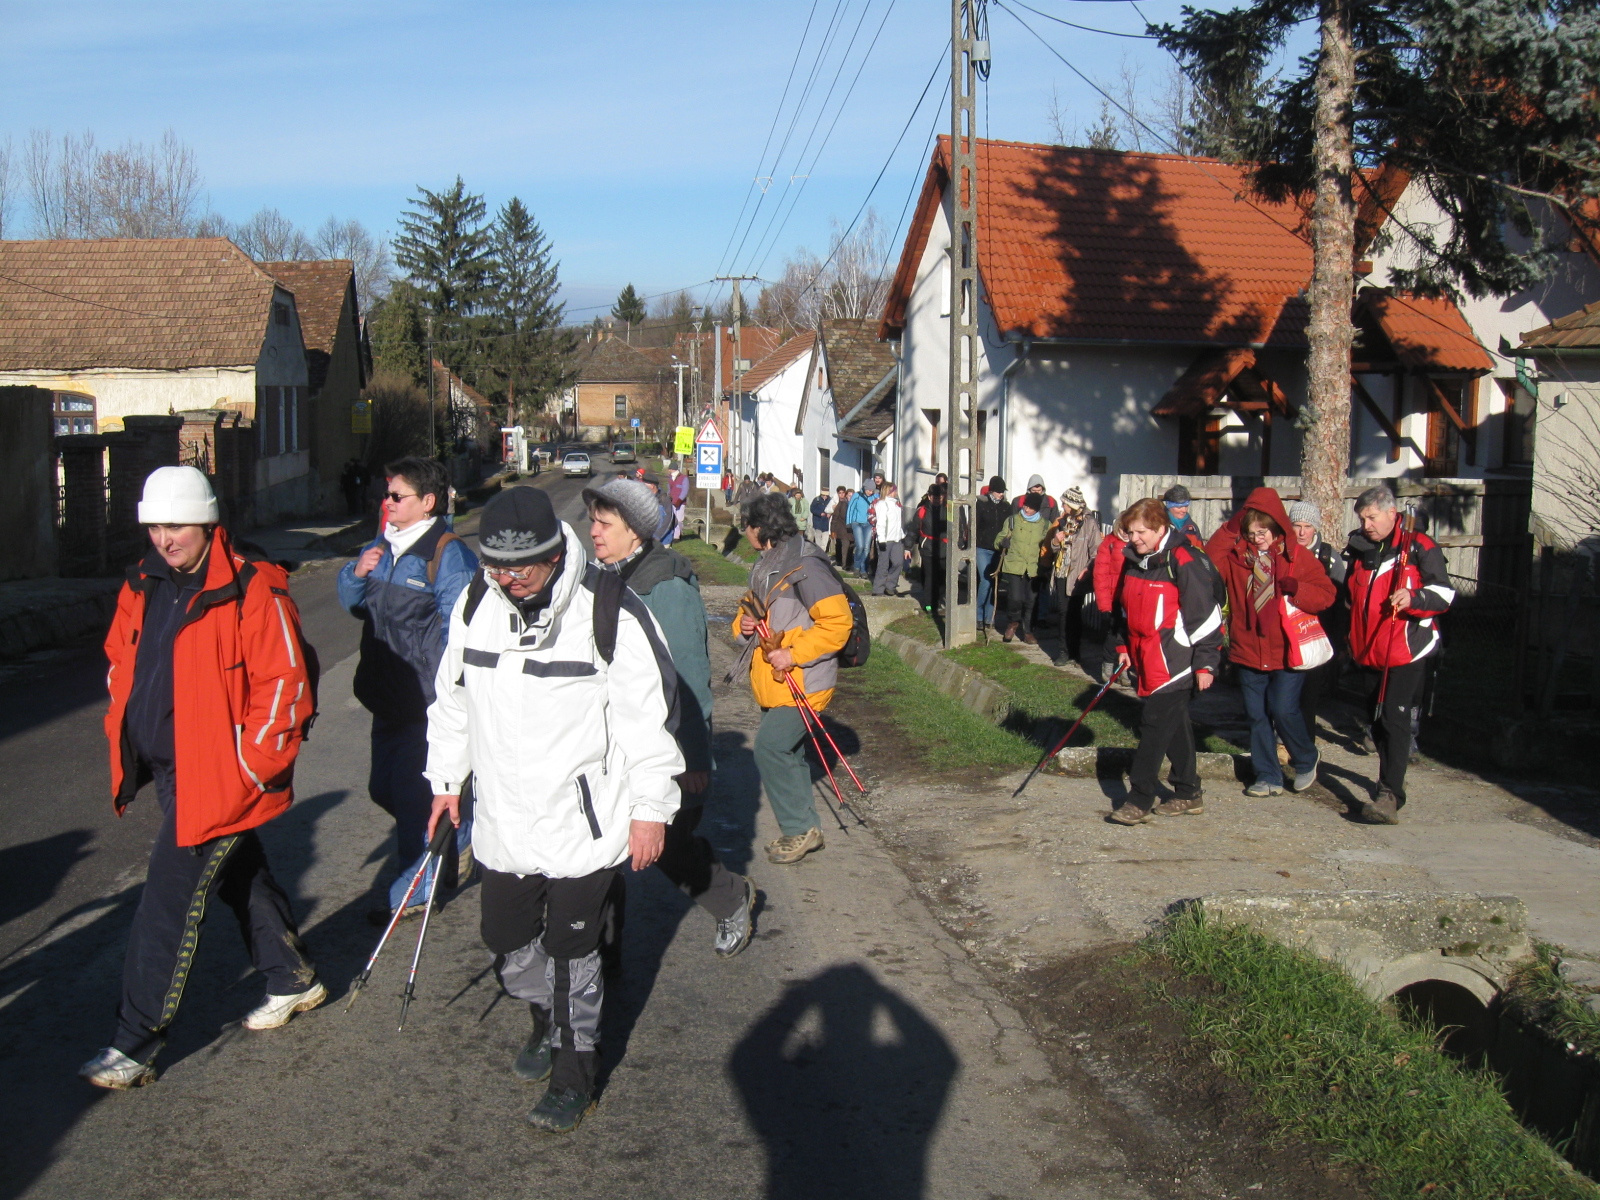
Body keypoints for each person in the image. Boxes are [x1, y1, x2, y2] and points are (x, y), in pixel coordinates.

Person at [426, 486, 683, 1132]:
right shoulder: (477, 603)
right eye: (496, 567)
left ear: (551, 554)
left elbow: (648, 721)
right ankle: (545, 1017)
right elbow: (452, 703)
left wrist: (650, 809)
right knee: (506, 942)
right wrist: (445, 781)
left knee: (576, 956)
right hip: (506, 820)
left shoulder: (608, 611)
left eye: (522, 569)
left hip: (583, 824)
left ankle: (576, 1073)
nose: (508, 581)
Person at [81, 467, 322, 1090]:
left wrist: (251, 769)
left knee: (166, 901)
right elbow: (120, 657)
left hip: (220, 776)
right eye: (156, 525)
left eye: (177, 525)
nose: (166, 538)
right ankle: (293, 979)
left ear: (208, 523)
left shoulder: (250, 587)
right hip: (168, 767)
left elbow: (285, 683)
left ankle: (133, 1042)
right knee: (241, 873)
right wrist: (123, 715)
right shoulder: (143, 582)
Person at [585, 477, 755, 956]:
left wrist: (696, 758)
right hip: (613, 741)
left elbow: (689, 675)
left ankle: (728, 898)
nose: (593, 531)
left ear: (635, 531)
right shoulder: (605, 577)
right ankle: (597, 953)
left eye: (605, 522)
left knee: (665, 845)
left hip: (668, 745)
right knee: (603, 849)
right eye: (593, 521)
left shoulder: (665, 587)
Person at [338, 456, 477, 922]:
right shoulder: (383, 545)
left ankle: (413, 889)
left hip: (425, 702)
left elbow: (462, 630)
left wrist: (453, 696)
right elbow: (352, 605)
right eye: (387, 495)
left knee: (413, 799)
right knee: (385, 790)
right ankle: (461, 834)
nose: (387, 503)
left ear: (428, 502)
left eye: (397, 496)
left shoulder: (446, 554)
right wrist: (356, 574)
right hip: (384, 694)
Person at [735, 493, 853, 866]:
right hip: (776, 681)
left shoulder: (805, 566)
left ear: (760, 528)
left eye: (746, 525)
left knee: (771, 748)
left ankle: (800, 829)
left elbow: (838, 623)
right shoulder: (766, 564)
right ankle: (807, 828)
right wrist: (746, 624)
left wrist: (794, 653)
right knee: (789, 751)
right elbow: (747, 612)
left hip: (805, 680)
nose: (744, 532)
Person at [1206, 488, 1336, 797]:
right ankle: (1268, 775)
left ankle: (1305, 757)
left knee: (1283, 708)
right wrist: (1232, 526)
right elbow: (1210, 557)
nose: (1257, 539)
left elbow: (1327, 594)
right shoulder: (1237, 560)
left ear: (1276, 527)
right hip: (1248, 648)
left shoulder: (1296, 558)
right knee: (1256, 715)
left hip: (1286, 650)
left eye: (1262, 531)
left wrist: (1298, 589)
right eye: (1251, 533)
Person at [1108, 497, 1224, 825]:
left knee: (1154, 725)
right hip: (1146, 660)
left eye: (1141, 532)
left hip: (1179, 662)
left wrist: (1206, 664)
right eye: (1130, 532)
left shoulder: (1184, 559)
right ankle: (1188, 792)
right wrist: (1122, 647)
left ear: (1161, 528)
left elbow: (1206, 616)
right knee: (1175, 727)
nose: (1134, 539)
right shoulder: (1135, 560)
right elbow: (1124, 609)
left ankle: (1139, 798)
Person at [1342, 484, 1453, 824]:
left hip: (1406, 648)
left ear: (1392, 513)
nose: (1366, 525)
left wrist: (1414, 598)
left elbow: (1444, 594)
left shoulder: (1419, 546)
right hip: (1369, 648)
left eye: (1372, 518)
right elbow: (1350, 595)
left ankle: (1391, 793)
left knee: (1394, 717)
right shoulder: (1361, 548)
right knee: (1375, 721)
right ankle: (1386, 777)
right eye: (1362, 519)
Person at [1289, 499, 1348, 750]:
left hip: (1317, 634)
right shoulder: (1282, 552)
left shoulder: (1328, 558)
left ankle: (1306, 748)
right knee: (1284, 696)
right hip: (1288, 632)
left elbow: (1340, 601)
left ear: (1315, 528)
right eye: (1297, 526)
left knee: (1309, 696)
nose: (1302, 532)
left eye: (1307, 526)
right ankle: (1283, 745)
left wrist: (1339, 639)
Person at [1048, 488, 1101, 665]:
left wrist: (1087, 570)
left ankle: (1075, 653)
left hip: (1079, 574)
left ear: (1072, 504)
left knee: (1075, 614)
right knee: (1063, 613)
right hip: (1062, 571)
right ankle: (1063, 652)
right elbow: (1055, 548)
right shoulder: (1062, 521)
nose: (1062, 505)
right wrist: (1055, 541)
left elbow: (1096, 551)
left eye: (1064, 503)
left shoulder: (1089, 523)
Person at [994, 492, 1050, 644]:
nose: (1027, 509)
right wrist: (1002, 542)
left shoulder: (1045, 525)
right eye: (1026, 505)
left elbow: (1048, 547)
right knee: (1015, 598)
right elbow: (998, 539)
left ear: (1037, 509)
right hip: (1014, 565)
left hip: (1033, 568)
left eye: (1031, 507)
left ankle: (1028, 631)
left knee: (1031, 600)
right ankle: (1013, 622)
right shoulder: (1012, 521)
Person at [975, 476, 1009, 632]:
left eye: (1002, 492)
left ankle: (990, 618)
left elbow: (1008, 528)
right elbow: (975, 526)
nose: (1001, 494)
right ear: (991, 491)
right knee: (986, 580)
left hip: (998, 551)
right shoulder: (981, 505)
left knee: (995, 583)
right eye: (998, 492)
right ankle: (978, 614)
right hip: (983, 548)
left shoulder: (1006, 507)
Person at [914, 483, 949, 615]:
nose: (937, 499)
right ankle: (929, 604)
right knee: (929, 576)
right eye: (934, 497)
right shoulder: (922, 511)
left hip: (944, 548)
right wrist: (907, 547)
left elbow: (957, 526)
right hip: (928, 547)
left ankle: (939, 600)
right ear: (929, 497)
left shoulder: (948, 509)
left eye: (939, 497)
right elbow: (914, 529)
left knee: (942, 576)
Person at [871, 482, 906, 596]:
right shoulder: (882, 504)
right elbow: (880, 523)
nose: (896, 492)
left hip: (896, 539)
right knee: (883, 565)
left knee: (898, 562)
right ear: (889, 491)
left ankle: (890, 585)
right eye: (894, 490)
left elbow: (898, 523)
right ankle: (878, 589)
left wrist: (902, 535)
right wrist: (881, 539)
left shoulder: (897, 504)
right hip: (885, 539)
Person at [846, 484, 872, 577]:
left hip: (868, 524)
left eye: (872, 490)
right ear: (865, 488)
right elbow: (850, 508)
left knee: (866, 548)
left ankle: (863, 569)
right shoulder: (857, 496)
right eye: (869, 490)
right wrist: (848, 522)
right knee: (860, 546)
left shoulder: (874, 497)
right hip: (857, 523)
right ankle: (857, 566)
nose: (870, 492)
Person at [829, 486, 854, 571]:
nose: (850, 497)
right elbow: (835, 518)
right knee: (845, 545)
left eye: (852, 496)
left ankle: (848, 562)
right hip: (842, 529)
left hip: (852, 530)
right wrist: (833, 530)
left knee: (851, 546)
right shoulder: (842, 504)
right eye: (849, 495)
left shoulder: (855, 505)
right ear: (846, 496)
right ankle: (845, 565)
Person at [668, 464, 690, 541]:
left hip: (680, 502)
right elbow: (669, 489)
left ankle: (678, 534)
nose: (669, 471)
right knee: (673, 519)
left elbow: (685, 491)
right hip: (672, 501)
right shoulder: (670, 478)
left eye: (670, 469)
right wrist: (669, 497)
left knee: (679, 519)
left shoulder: (684, 478)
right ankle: (675, 535)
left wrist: (679, 500)